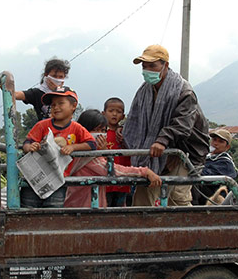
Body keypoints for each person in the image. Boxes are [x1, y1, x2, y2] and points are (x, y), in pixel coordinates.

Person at [123, 44, 209, 207]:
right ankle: (143, 230)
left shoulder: (184, 91)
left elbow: (183, 124)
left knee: (177, 197)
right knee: (143, 194)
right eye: (144, 66)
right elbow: (134, 120)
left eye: (152, 65)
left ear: (165, 65)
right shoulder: (144, 91)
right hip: (151, 152)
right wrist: (124, 133)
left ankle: (188, 230)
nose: (147, 70)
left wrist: (163, 140)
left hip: (184, 150)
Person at [64, 109, 161, 208]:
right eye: (96, 130)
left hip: (81, 207)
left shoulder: (80, 152)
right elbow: (113, 170)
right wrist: (144, 171)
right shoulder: (86, 156)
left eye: (103, 131)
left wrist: (102, 152)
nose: (100, 134)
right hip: (84, 210)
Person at [21, 87, 95, 208]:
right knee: (28, 211)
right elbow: (27, 142)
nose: (56, 107)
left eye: (61, 103)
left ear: (73, 106)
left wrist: (73, 147)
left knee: (53, 212)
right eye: (53, 104)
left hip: (58, 180)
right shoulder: (42, 125)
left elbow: (92, 144)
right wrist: (30, 147)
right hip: (34, 179)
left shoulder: (77, 128)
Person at [15, 57, 71, 122]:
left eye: (61, 77)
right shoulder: (37, 93)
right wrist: (4, 85)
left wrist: (57, 90)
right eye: (54, 76)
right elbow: (15, 94)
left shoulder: (67, 93)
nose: (57, 79)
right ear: (46, 75)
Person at [102, 97, 132, 207]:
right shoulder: (100, 133)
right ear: (103, 113)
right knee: (105, 206)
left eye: (118, 112)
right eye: (111, 111)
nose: (114, 114)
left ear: (123, 116)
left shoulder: (127, 134)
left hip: (122, 178)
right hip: (104, 177)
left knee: (120, 208)